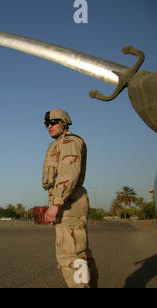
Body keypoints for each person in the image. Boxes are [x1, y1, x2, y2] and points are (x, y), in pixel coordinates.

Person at [42, 108, 98, 288]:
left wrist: (56, 204)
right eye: (46, 123)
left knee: (70, 257)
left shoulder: (68, 142)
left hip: (69, 203)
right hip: (68, 202)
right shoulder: (60, 143)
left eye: (53, 122)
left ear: (65, 123)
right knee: (79, 254)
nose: (49, 126)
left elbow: (68, 173)